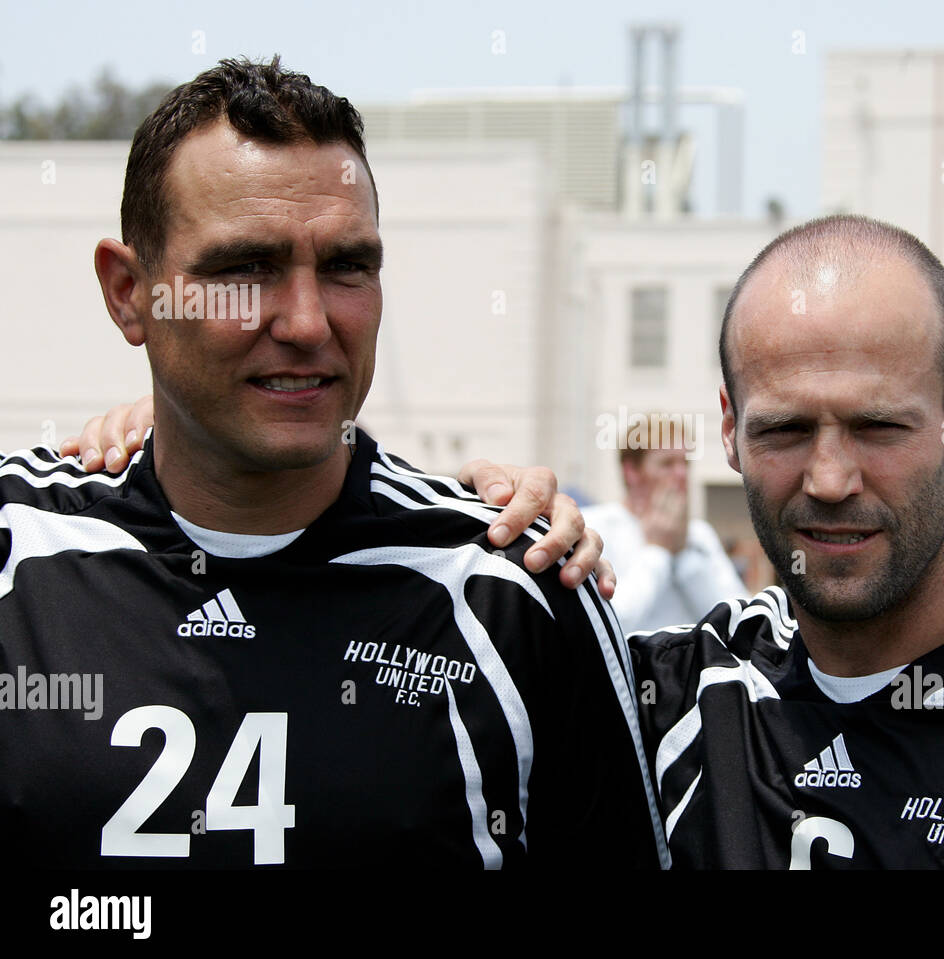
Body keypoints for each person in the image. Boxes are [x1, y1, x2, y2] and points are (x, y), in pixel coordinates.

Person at [78, 215, 944, 869]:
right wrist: (189, 439)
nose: (828, 477)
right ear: (725, 430)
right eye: (784, 429)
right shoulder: (673, 697)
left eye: (876, 425)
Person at [0, 57, 667, 869]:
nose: (308, 322)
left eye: (348, 266)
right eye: (246, 268)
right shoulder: (18, 558)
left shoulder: (513, 591)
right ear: (128, 292)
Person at [582, 432, 745, 632]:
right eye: (667, 464)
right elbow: (605, 626)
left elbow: (739, 621)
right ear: (631, 471)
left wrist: (685, 555)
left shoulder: (700, 534)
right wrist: (658, 551)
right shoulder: (593, 527)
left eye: (685, 463)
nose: (681, 474)